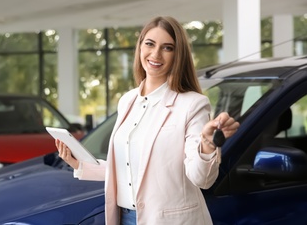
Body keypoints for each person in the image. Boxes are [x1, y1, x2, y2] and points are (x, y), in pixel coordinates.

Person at [56, 16, 240, 225]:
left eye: (167, 48)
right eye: (150, 44)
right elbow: (131, 169)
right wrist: (79, 163)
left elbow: (202, 180)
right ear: (140, 46)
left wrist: (207, 144)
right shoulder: (128, 100)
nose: (156, 54)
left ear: (177, 55)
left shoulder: (193, 104)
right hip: (124, 218)